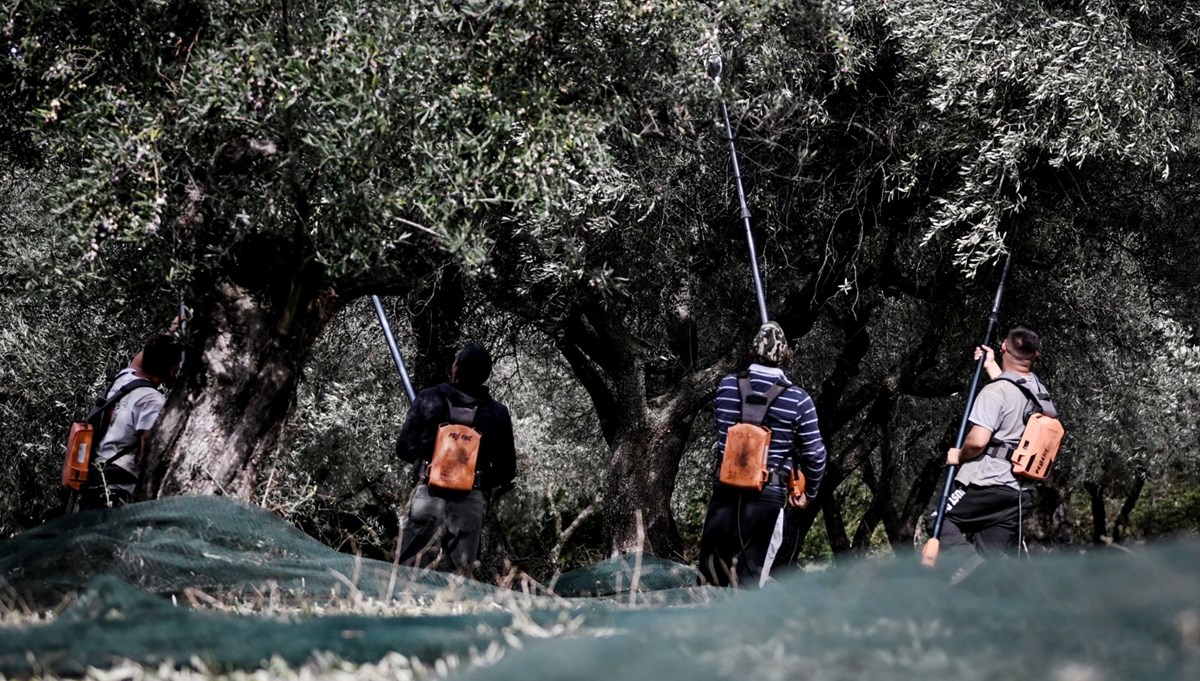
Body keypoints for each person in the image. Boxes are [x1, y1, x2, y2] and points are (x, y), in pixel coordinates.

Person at [698, 321, 827, 587]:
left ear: (750, 353)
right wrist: (809, 492)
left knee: (709, 582)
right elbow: (815, 455)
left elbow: (721, 432)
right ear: (786, 358)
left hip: (725, 496)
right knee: (748, 586)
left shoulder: (726, 387)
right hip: (766, 501)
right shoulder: (798, 400)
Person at [931, 325, 1057, 573]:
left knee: (937, 516)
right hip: (1019, 495)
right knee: (992, 557)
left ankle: (973, 568)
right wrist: (989, 365)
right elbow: (1011, 392)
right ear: (1036, 355)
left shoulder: (994, 392)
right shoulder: (1039, 393)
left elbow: (978, 441)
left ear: (1003, 347)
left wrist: (958, 454)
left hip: (987, 484)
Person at [395, 342, 517, 578]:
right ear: (485, 376)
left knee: (408, 573)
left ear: (456, 368)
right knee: (458, 580)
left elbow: (403, 449)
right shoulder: (497, 413)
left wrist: (431, 460)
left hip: (427, 496)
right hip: (469, 501)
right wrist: (474, 477)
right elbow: (507, 470)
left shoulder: (428, 398)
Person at [79, 328, 184, 511]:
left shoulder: (125, 379)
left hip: (95, 480)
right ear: (172, 367)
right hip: (116, 491)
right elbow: (147, 453)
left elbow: (145, 356)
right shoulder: (152, 401)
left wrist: (173, 328)